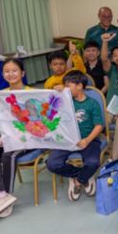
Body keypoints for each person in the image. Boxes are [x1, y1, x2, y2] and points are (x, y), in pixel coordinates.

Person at [0, 59, 34, 219]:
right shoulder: (0, 95)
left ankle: (6, 198)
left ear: (22, 73)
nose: (11, 74)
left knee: (8, 155)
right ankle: (1, 195)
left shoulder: (32, 92)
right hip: (9, 139)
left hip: (30, 139)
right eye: (7, 71)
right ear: (3, 75)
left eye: (14, 70)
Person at [46, 70, 105, 202]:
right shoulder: (65, 101)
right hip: (67, 140)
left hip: (89, 140)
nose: (66, 88)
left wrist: (87, 140)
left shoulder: (92, 103)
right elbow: (49, 110)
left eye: (68, 86)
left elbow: (99, 125)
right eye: (65, 86)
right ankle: (82, 175)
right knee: (52, 164)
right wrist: (57, 94)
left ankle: (79, 181)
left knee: (93, 162)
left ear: (79, 86)